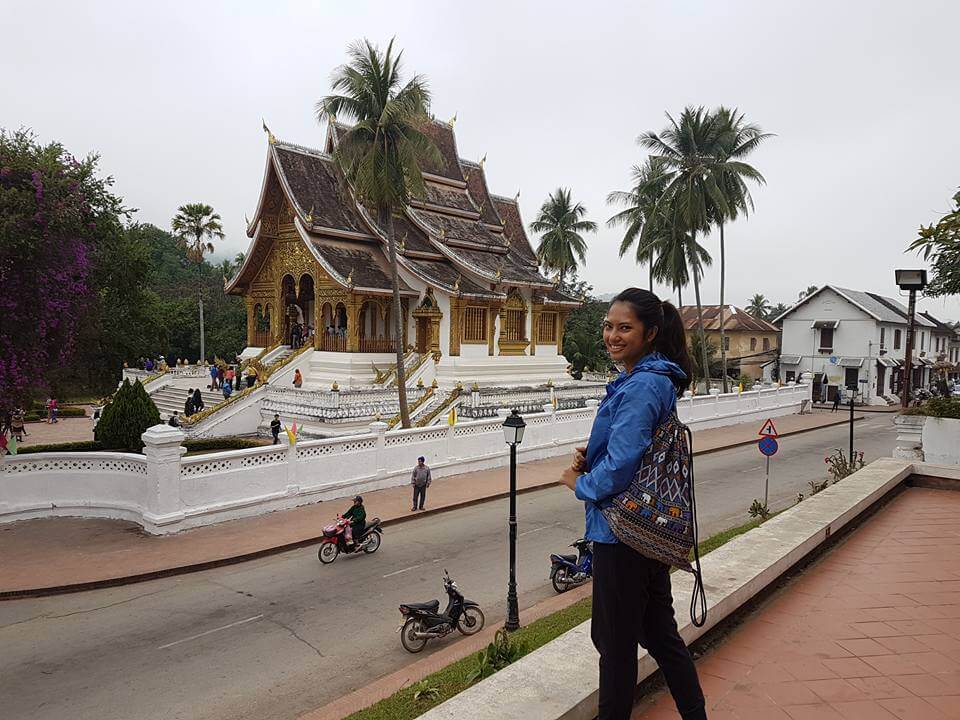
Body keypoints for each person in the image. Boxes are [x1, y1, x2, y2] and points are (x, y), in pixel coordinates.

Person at [557, 288, 706, 720]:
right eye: (608, 326)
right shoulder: (650, 380)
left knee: (615, 644)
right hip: (645, 528)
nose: (612, 336)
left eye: (625, 328)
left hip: (621, 532)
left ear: (650, 333)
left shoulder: (641, 384)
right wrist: (593, 453)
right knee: (659, 635)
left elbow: (623, 464)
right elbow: (631, 446)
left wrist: (580, 483)